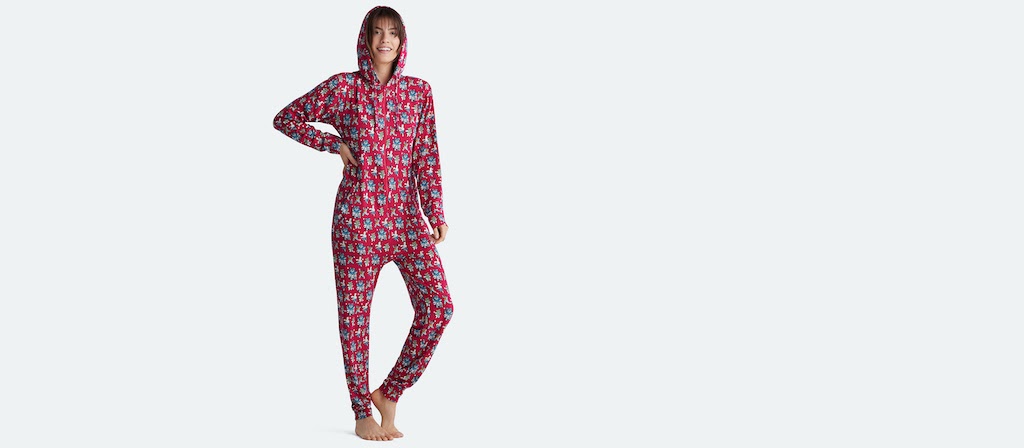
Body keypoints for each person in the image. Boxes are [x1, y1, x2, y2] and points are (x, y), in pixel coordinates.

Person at [271, 5, 454, 441]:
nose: (385, 40)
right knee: (355, 318)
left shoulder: (419, 92)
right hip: (357, 219)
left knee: (439, 307)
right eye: (377, 32)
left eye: (393, 32)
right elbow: (286, 118)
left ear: (403, 40)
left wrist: (435, 212)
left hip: (406, 220)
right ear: (365, 39)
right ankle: (360, 412)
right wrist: (333, 144)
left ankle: (389, 391)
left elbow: (426, 155)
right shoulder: (344, 88)